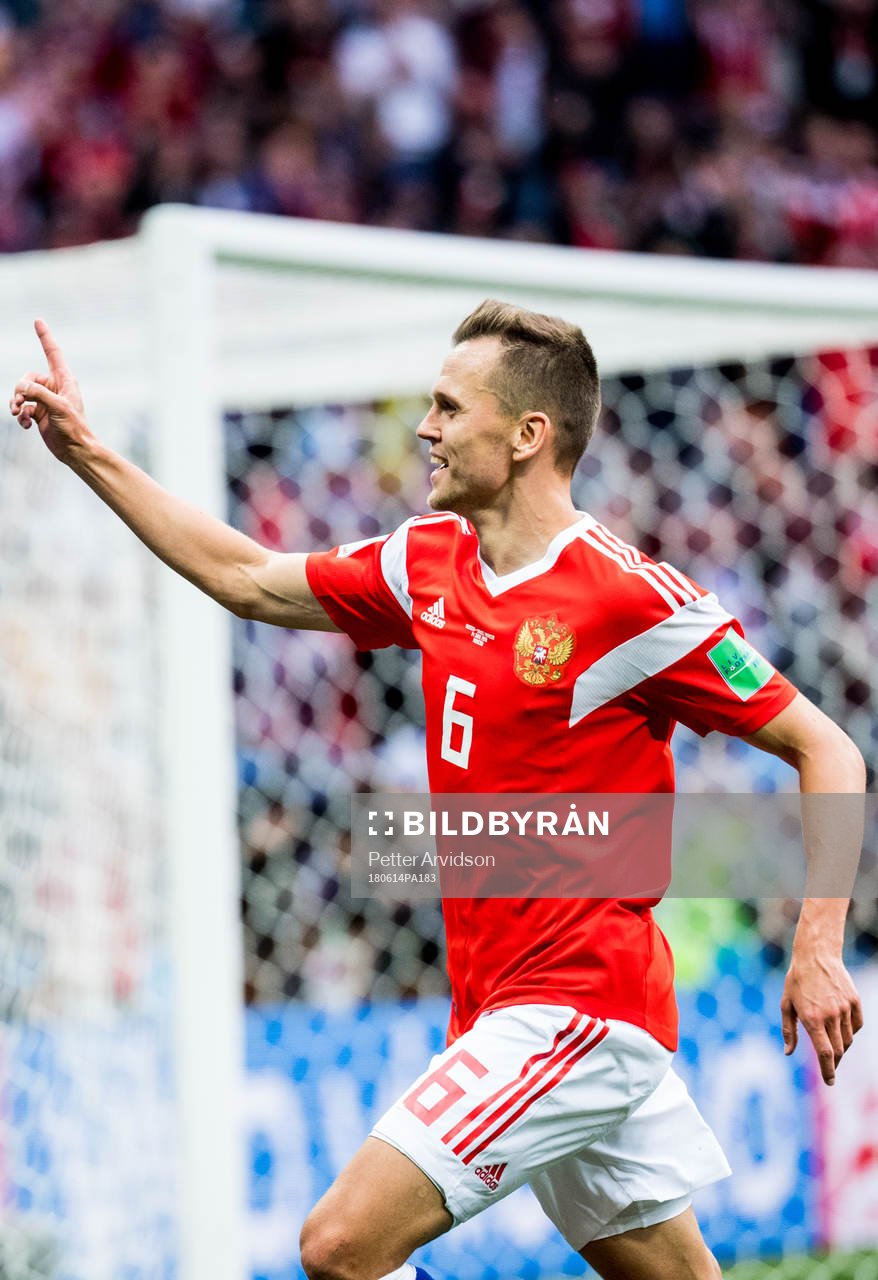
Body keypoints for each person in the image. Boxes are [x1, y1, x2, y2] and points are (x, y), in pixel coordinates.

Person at [10, 304, 865, 1280]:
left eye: (448, 407)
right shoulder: (426, 563)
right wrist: (88, 454)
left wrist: (816, 943)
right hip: (499, 1003)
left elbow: (825, 746)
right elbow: (246, 576)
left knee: (339, 1244)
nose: (424, 427)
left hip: (575, 1007)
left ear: (526, 435)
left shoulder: (625, 599)